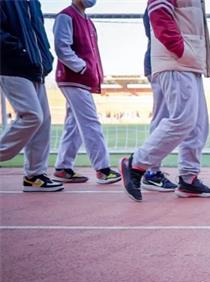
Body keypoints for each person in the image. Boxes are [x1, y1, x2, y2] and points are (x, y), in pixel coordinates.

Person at [120, 0, 210, 201]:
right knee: (182, 120)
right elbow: (158, 14)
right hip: (176, 61)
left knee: (198, 125)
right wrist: (181, 50)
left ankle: (188, 179)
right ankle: (136, 164)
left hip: (189, 61)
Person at [53, 0, 121, 185]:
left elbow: (93, 53)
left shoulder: (88, 21)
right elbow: (61, 47)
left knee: (73, 125)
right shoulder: (66, 16)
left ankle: (62, 168)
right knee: (91, 122)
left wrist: (95, 74)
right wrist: (82, 68)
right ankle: (103, 169)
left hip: (81, 79)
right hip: (73, 78)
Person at [0, 0, 63, 192]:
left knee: (44, 122)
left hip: (36, 67)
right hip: (13, 66)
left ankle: (35, 176)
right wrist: (20, 52)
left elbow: (38, 31)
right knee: (32, 116)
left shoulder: (33, 2)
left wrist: (46, 57)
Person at [138, 6, 178, 192]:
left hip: (161, 63)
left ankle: (151, 168)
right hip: (160, 63)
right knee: (163, 116)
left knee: (165, 115)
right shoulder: (156, 5)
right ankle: (150, 171)